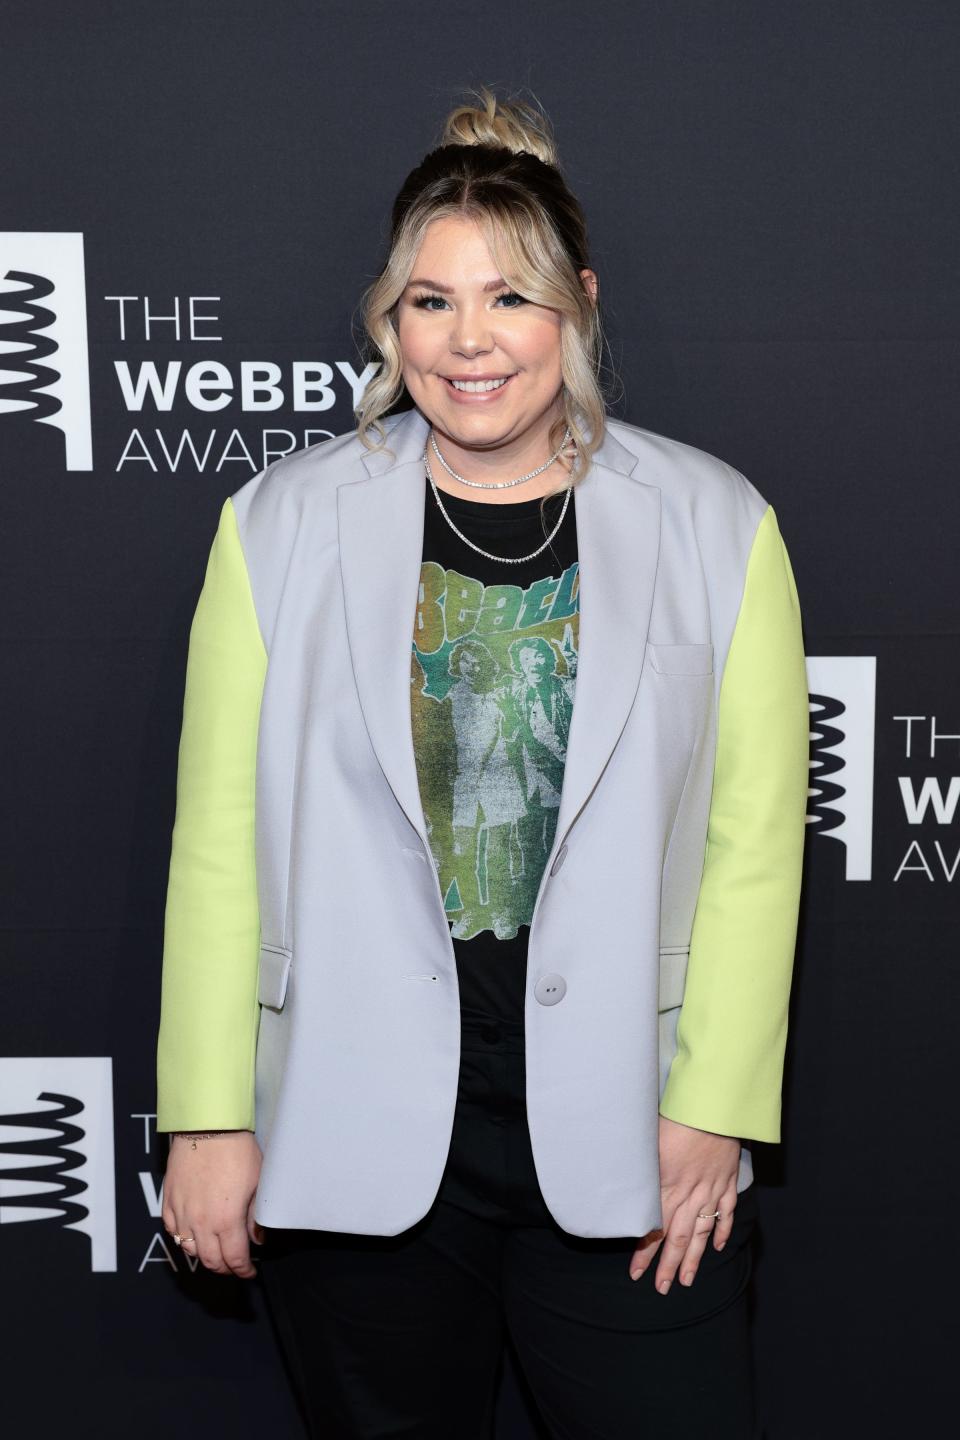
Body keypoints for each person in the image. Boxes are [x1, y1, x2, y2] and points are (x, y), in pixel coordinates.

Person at [156, 85, 809, 1440]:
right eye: (430, 301)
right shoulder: (276, 527)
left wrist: (717, 1109)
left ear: (576, 302)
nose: (470, 342)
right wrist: (206, 1116)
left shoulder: (716, 524)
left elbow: (756, 845)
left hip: (631, 1133)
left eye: (508, 299)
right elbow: (220, 841)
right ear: (391, 318)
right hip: (355, 1134)